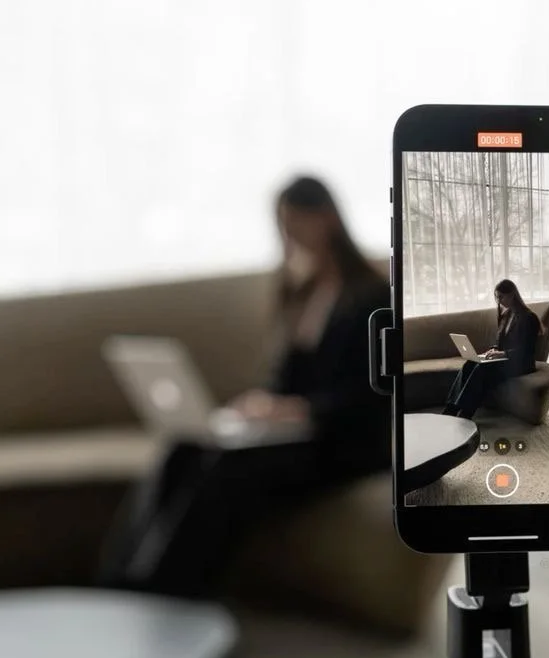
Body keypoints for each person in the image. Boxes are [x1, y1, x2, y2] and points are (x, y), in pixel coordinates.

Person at [98, 176, 391, 599]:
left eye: (294, 224)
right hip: (295, 433)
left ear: (326, 219)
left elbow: (369, 398)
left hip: (344, 443)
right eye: (282, 226)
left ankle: (171, 591)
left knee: (229, 471)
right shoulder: (300, 290)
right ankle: (122, 579)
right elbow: (284, 380)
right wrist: (262, 405)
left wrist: (300, 410)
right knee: (183, 450)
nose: (287, 236)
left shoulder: (372, 295)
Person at [443, 279, 541, 419]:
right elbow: (500, 343)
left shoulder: (529, 318)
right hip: (505, 359)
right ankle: (451, 408)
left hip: (521, 363)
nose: (498, 301)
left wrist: (503, 353)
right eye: (496, 297)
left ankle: (465, 413)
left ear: (512, 294)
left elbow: (527, 350)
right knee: (470, 363)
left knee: (482, 369)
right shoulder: (506, 316)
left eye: (501, 296)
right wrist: (493, 350)